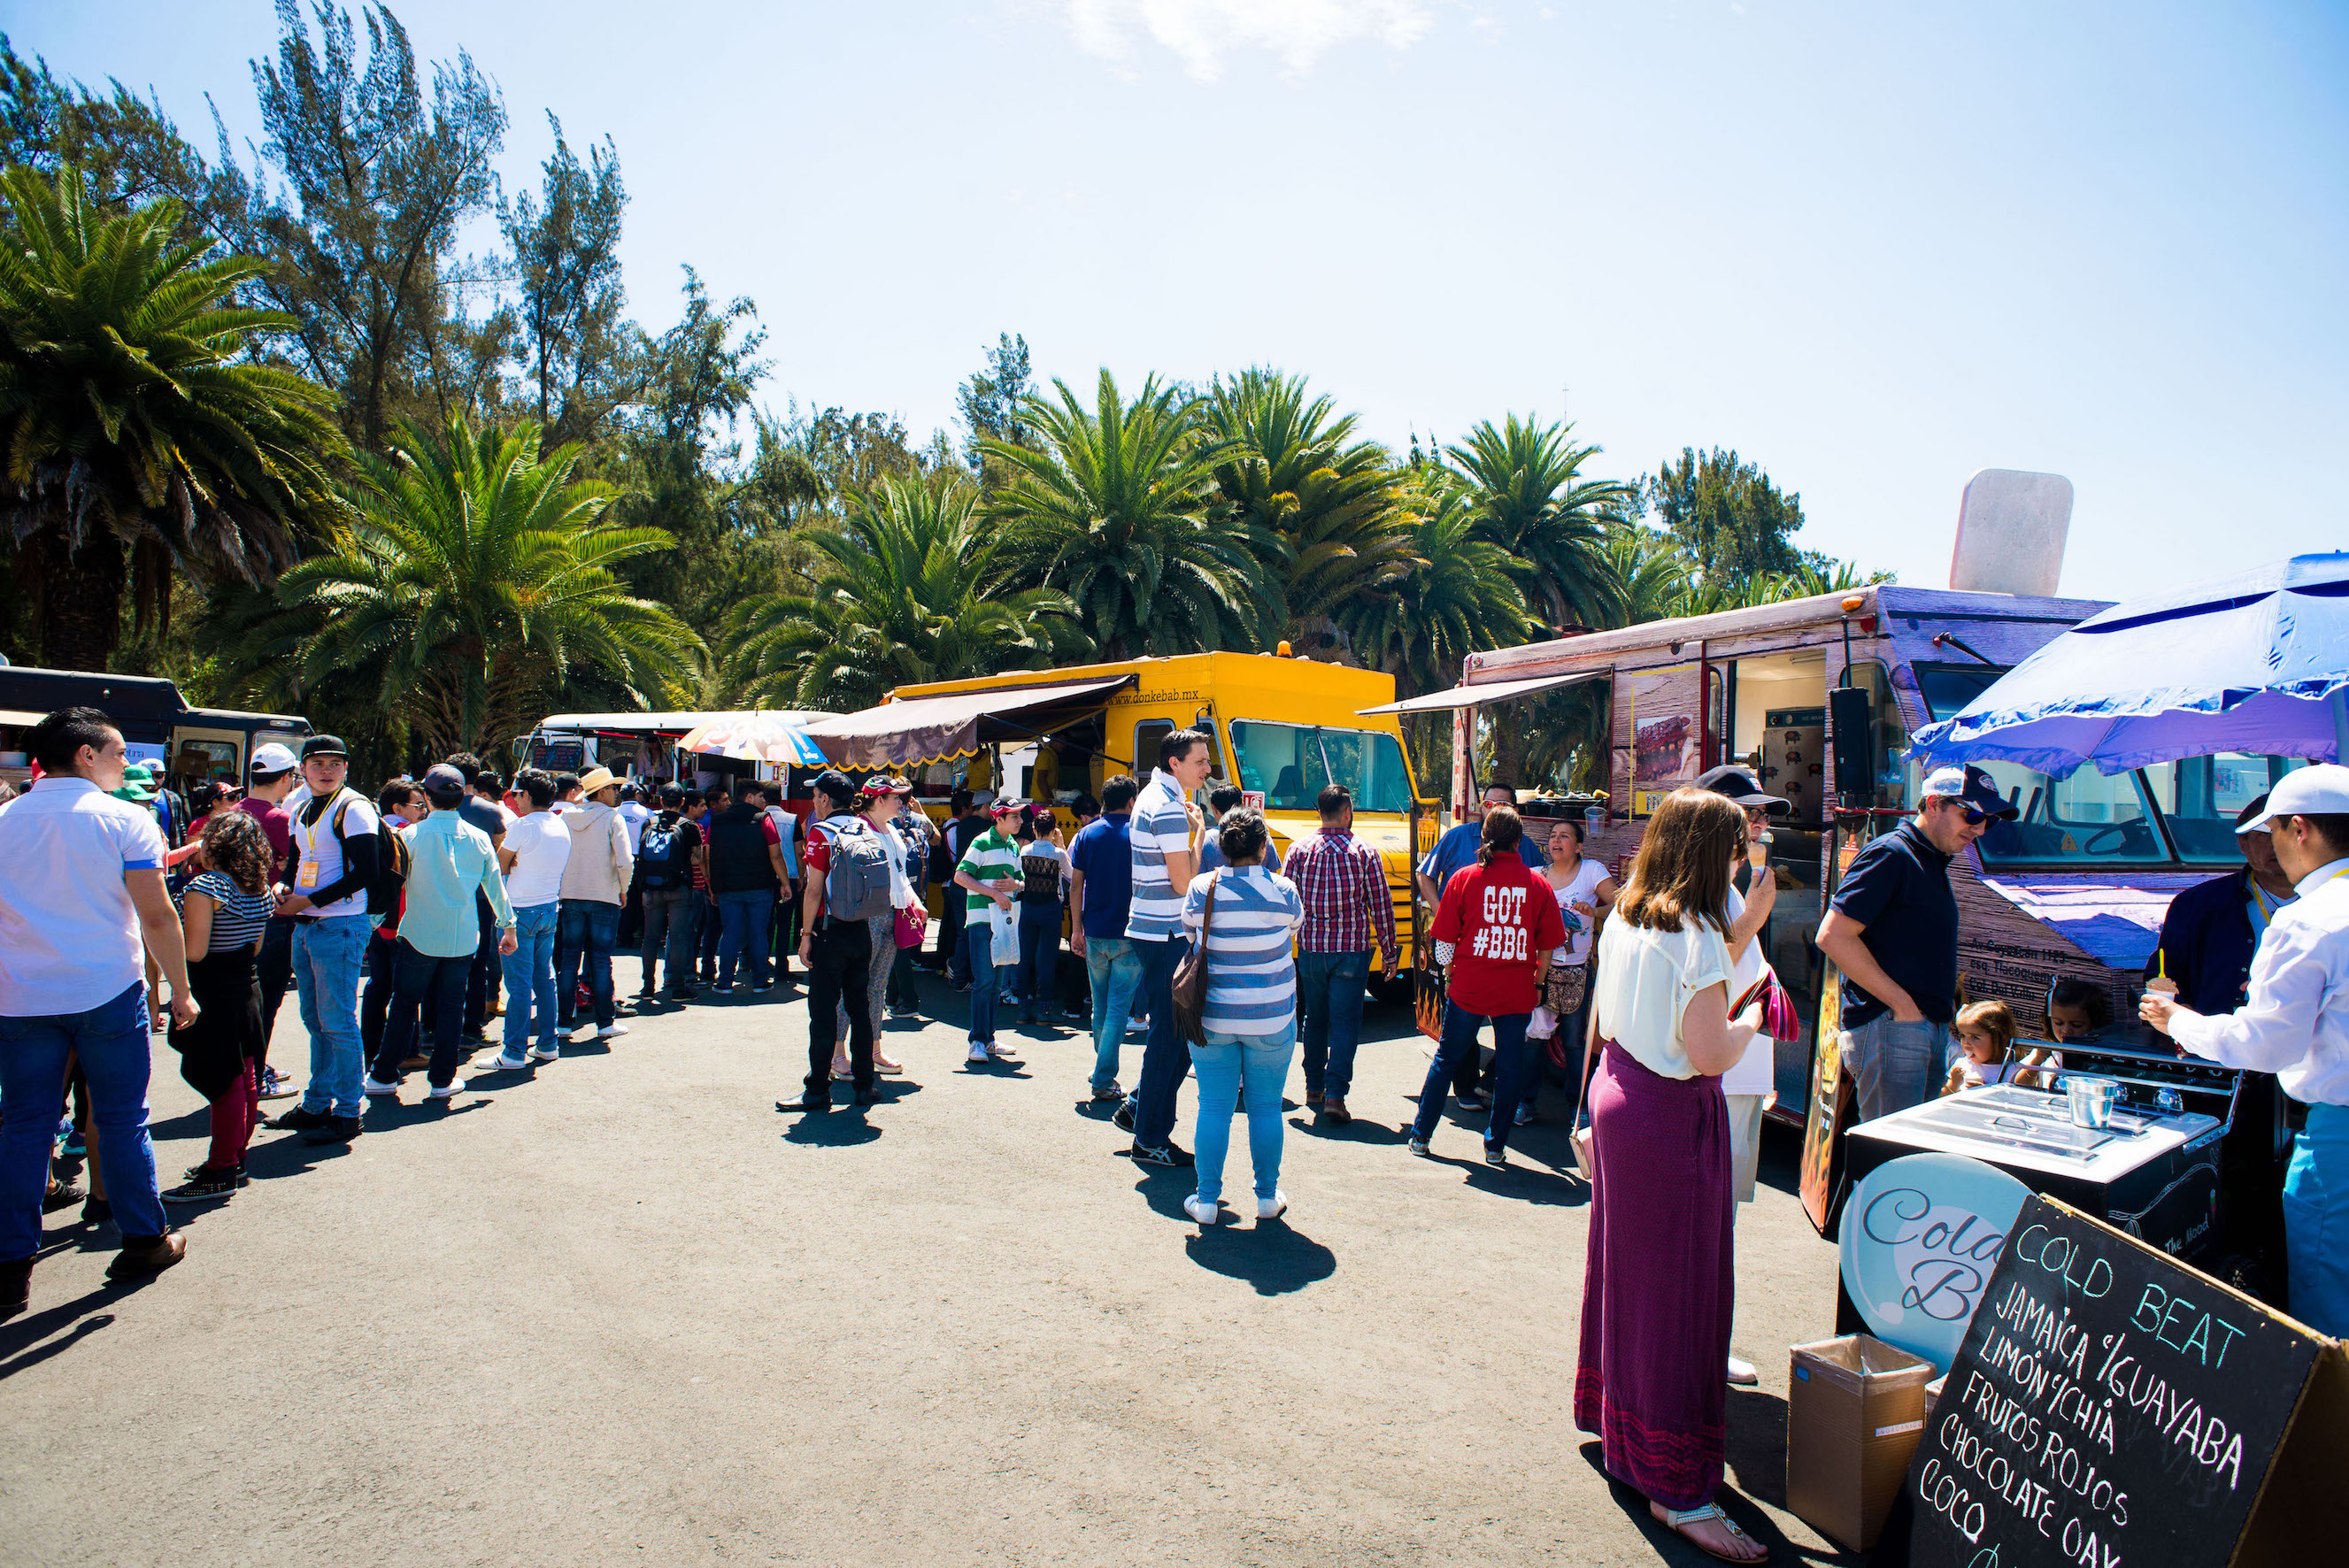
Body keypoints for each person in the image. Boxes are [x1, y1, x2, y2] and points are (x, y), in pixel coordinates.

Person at [1575, 786, 1770, 1564]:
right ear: (1710, 853)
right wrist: (1757, 1008)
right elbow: (1712, 1051)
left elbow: (1607, 1010)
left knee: (1627, 1281)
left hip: (1618, 1094)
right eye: (1733, 848)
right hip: (1664, 1115)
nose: (1740, 860)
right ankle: (1678, 1492)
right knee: (1678, 1299)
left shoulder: (1627, 911)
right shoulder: (1693, 934)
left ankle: (1623, 1435)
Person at [0, 708, 198, 1318]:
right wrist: (181, 991)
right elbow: (158, 915)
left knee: (24, 1125)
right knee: (121, 1119)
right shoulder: (128, 821)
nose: (125, 765)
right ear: (86, 755)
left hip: (22, 995)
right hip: (106, 988)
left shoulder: (6, 819)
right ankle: (142, 1238)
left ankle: (11, 1265)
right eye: (117, 754)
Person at [2142, 764, 2349, 1336]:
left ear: (2299, 830)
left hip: (2336, 1133)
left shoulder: (2309, 920)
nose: (2268, 845)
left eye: (2274, 830)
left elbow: (2265, 1044)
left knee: (2331, 1303)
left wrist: (2179, 1020)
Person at [1814, 763, 2014, 1122]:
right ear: (1933, 803)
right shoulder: (1892, 854)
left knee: (1906, 1152)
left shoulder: (1929, 859)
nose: (1980, 828)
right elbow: (1833, 936)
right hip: (1893, 1026)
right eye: (1971, 814)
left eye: (1990, 820)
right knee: (1888, 1153)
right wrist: (1903, 1006)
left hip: (1917, 1026)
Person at [1408, 806, 1564, 1167]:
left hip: (1469, 986)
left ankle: (1421, 1135)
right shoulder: (1537, 884)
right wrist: (1538, 982)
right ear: (1520, 841)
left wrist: (1449, 970)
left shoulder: (1463, 879)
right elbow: (1549, 946)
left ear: (1483, 838)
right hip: (1516, 991)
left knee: (1446, 1059)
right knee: (1510, 1066)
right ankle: (1495, 1145)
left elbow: (1443, 941)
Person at [1178, 806, 1305, 1226]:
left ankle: (1207, 1201)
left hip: (1213, 1017)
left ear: (1221, 846)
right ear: (1264, 845)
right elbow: (1293, 930)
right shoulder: (1285, 890)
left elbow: (1192, 937)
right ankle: (1267, 1197)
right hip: (1271, 1018)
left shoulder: (1200, 888)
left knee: (1213, 1106)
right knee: (1266, 1107)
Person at [365, 765, 517, 1098]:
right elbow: (495, 888)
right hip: (462, 936)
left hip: (418, 933)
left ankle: (383, 1075)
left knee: (405, 1004)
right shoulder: (478, 838)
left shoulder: (409, 836)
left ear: (428, 798)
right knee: (452, 1007)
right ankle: (442, 1081)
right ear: (461, 795)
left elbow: (388, 888)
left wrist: (372, 923)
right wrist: (508, 926)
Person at [266, 734, 383, 1147]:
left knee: (337, 1023)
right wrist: (284, 886)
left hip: (340, 926)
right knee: (316, 1021)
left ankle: (349, 1112)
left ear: (347, 768)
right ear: (303, 768)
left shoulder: (354, 808)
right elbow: (298, 858)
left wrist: (307, 899)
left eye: (336, 763)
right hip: (308, 924)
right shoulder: (302, 806)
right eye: (319, 763)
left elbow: (367, 871)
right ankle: (317, 1103)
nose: (328, 770)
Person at [163, 811, 279, 1201]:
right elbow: (257, 947)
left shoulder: (208, 886)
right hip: (247, 985)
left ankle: (221, 1169)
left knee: (223, 1083)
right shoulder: (259, 886)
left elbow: (194, 952)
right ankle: (234, 1158)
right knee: (243, 1076)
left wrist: (164, 930)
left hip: (213, 990)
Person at [1415, 784, 1550, 1111]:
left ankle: (1488, 1087)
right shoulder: (1457, 837)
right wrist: (1440, 910)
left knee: (1509, 1040)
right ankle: (1465, 1090)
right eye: (1490, 802)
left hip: (1509, 959)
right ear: (1481, 807)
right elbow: (1425, 876)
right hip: (1461, 954)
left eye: (1503, 803)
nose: (1495, 806)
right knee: (1460, 1032)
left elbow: (1542, 896)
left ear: (1514, 812)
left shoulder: (1528, 849)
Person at [1118, 729, 1217, 1167]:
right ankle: (1151, 1135)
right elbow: (1186, 883)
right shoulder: (1170, 808)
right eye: (1200, 761)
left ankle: (1142, 1111)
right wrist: (1199, 836)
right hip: (1166, 935)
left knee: (1173, 1036)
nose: (1208, 769)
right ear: (1175, 763)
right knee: (1171, 1038)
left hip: (1152, 930)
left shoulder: (1154, 797)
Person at [1283, 783, 1398, 1124]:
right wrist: (1390, 953)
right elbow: (1381, 907)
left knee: (1314, 1018)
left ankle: (1313, 1087)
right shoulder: (1365, 851)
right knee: (1347, 1023)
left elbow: (1285, 902)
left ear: (1319, 812)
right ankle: (1336, 1094)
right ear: (1347, 813)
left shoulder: (1299, 850)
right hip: (1352, 950)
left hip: (1311, 949)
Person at [782, 770, 884, 1112]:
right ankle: (864, 1086)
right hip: (861, 930)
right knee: (861, 1011)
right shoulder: (865, 828)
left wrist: (805, 935)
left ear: (825, 799)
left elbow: (813, 889)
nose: (813, 801)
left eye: (815, 796)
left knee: (823, 1015)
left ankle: (816, 1091)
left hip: (829, 932)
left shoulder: (820, 833)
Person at [2146, 792, 2299, 1015]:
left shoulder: (2336, 903)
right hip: (2216, 1039)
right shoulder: (2196, 904)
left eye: (2288, 833)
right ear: (2243, 843)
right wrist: (2178, 1011)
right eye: (2265, 834)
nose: (2276, 844)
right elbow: (2164, 972)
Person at [1529, 816, 1618, 1127]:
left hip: (1578, 971)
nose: (1556, 840)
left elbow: (1621, 903)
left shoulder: (1592, 871)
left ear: (1578, 846)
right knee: (1535, 1039)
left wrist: (1595, 912)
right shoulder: (1535, 876)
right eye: (1553, 835)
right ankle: (1526, 1104)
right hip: (1539, 973)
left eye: (1564, 836)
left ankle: (1576, 1107)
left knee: (1574, 1043)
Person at [487, 769, 571, 1069]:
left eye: (517, 793)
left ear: (526, 795)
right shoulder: (560, 824)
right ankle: (548, 1043)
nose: (514, 799)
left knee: (519, 985)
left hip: (519, 911)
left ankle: (513, 1052)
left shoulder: (523, 826)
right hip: (549, 907)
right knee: (545, 979)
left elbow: (499, 866)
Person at [1069, 775, 1143, 1103]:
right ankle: (1103, 1077)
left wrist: (1075, 928)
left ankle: (1102, 1066)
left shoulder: (1086, 834)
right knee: (1117, 1009)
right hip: (1131, 933)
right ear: (1131, 802)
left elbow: (1075, 886)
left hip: (1095, 930)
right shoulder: (1139, 834)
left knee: (1101, 1005)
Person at [240, 741, 301, 1100]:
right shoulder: (278, 819)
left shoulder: (233, 812)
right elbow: (298, 864)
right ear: (287, 778)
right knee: (266, 1000)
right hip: (271, 918)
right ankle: (255, 1076)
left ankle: (251, 1068)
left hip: (231, 920)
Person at [555, 766, 634, 1040]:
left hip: (571, 895)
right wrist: (624, 889)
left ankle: (563, 1022)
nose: (617, 793)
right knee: (600, 960)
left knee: (568, 960)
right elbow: (625, 861)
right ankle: (605, 1023)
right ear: (601, 791)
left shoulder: (566, 817)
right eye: (614, 788)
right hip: (604, 896)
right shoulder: (613, 818)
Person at [847, 777, 917, 1072]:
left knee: (877, 987)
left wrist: (914, 900)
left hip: (894, 913)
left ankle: (874, 1049)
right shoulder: (857, 830)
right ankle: (839, 1053)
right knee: (852, 987)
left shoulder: (892, 830)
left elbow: (900, 874)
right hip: (868, 916)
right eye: (895, 798)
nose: (901, 803)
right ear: (878, 800)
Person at [358, 780, 427, 1074]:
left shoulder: (370, 831)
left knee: (377, 986)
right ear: (398, 808)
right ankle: (406, 1050)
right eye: (418, 805)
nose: (423, 810)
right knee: (405, 992)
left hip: (375, 922)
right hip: (401, 922)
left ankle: (370, 1048)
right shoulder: (405, 835)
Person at [952, 797, 1027, 1065]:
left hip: (1002, 921)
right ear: (999, 819)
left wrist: (1015, 885)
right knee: (985, 982)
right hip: (983, 921)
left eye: (1019, 816)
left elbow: (1021, 882)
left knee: (995, 985)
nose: (1020, 820)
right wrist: (995, 893)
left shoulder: (1012, 846)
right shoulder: (982, 842)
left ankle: (989, 1039)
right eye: (1014, 816)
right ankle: (977, 1041)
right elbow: (960, 876)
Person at [704, 779, 786, 995]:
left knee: (730, 933)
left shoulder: (718, 821)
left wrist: (711, 883)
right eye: (761, 797)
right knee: (758, 933)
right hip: (760, 886)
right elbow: (776, 855)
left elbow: (708, 854)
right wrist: (785, 882)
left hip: (727, 887)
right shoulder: (764, 820)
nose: (764, 801)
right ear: (749, 797)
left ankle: (724, 982)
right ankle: (760, 981)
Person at [448, 755, 509, 1040]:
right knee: (478, 962)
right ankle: (472, 1028)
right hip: (482, 898)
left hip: (443, 896)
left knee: (443, 961)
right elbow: (501, 855)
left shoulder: (436, 809)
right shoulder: (492, 812)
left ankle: (436, 1026)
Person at [634, 782, 701, 1003]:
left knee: (650, 938)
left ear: (661, 801)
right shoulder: (689, 826)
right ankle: (679, 987)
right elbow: (697, 858)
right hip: (679, 888)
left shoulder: (649, 823)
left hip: (651, 888)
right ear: (682, 802)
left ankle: (647, 987)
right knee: (679, 937)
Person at [1014, 803, 1070, 1026]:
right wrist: (1062, 846)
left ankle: (1022, 1008)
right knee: (1046, 959)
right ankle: (1044, 1010)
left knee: (1024, 957)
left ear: (1034, 829)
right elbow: (1072, 875)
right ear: (1054, 829)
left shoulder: (1024, 851)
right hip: (1050, 908)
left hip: (1028, 906)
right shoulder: (1058, 854)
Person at [1942, 999, 2037, 1094]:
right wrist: (1953, 1085)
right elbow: (1941, 1098)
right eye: (1962, 1036)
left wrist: (1984, 1092)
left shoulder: (2013, 1072)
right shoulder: (1962, 1064)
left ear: (2000, 1038)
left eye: (1975, 1037)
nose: (1966, 1043)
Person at [1196, 784, 1282, 873]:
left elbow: (1197, 875)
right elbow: (1272, 876)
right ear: (1242, 804)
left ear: (1214, 808)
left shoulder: (1206, 840)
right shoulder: (1261, 836)